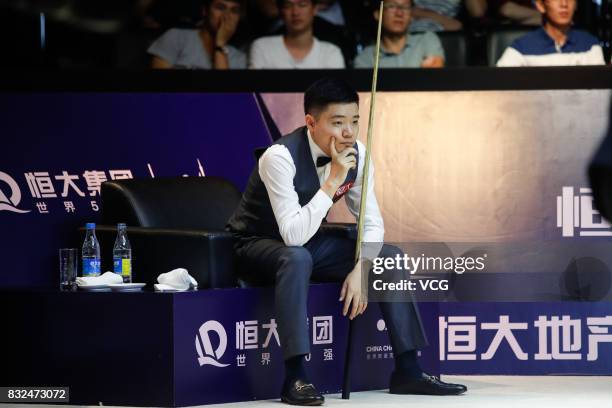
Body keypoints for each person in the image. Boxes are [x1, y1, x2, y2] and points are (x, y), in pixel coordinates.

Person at [226, 77, 467, 406]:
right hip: (257, 243)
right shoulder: (278, 157)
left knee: (390, 257)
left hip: (309, 241)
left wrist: (362, 269)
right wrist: (333, 182)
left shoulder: (358, 153)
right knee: (297, 257)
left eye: (354, 121)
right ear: (311, 123)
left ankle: (408, 371)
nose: (349, 133)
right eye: (337, 123)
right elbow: (292, 235)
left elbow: (370, 220)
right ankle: (296, 376)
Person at [496, 0, 605, 66]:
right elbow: (498, 86)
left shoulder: (590, 45)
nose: (564, 4)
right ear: (541, 5)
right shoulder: (521, 48)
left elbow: (601, 92)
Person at [147, 0, 246, 69]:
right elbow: (158, 89)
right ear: (205, 11)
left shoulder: (239, 58)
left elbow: (225, 94)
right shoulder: (176, 37)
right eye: (220, 7)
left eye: (234, 10)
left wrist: (220, 43)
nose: (227, 15)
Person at [249, 0, 345, 69]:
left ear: (315, 9)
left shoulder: (331, 52)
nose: (295, 12)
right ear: (281, 10)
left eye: (302, 4)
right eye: (288, 5)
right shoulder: (262, 47)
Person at [354, 0, 445, 68]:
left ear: (411, 15)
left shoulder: (427, 40)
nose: (399, 13)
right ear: (378, 14)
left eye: (405, 7)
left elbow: (433, 76)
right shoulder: (366, 58)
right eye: (392, 6)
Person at [409, 0, 487, 32]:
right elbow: (402, 8)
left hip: (445, 32)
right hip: (413, 28)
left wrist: (427, 14)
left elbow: (478, 12)